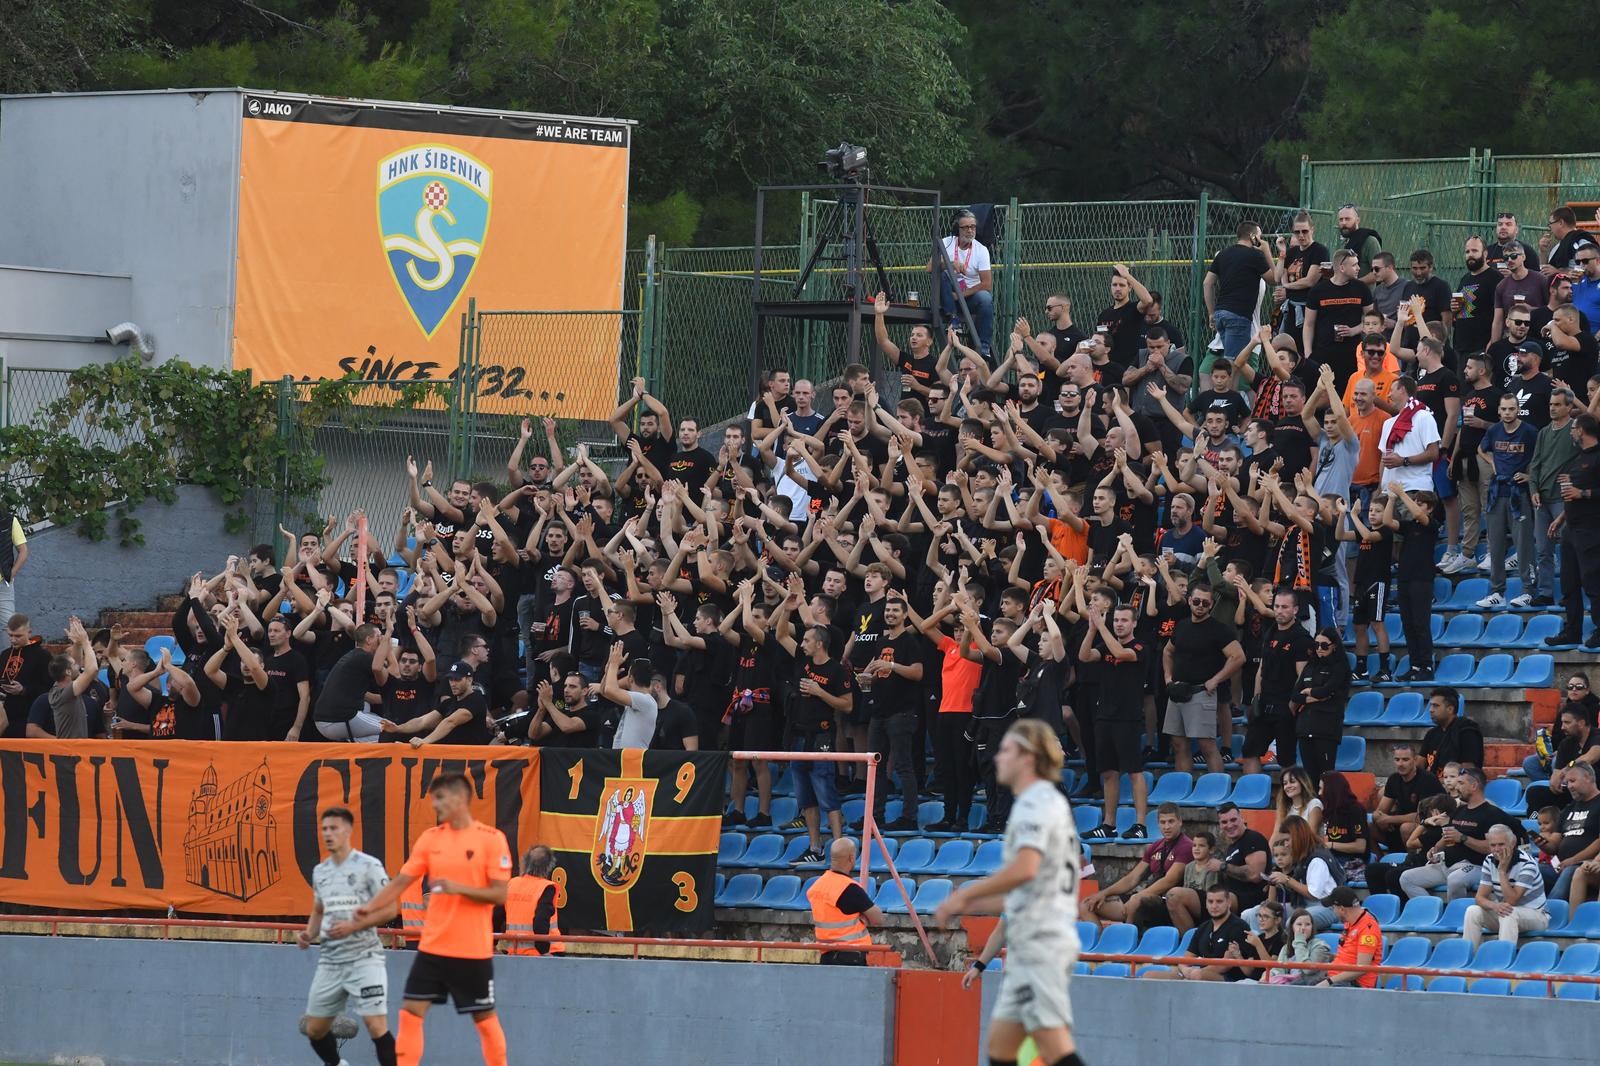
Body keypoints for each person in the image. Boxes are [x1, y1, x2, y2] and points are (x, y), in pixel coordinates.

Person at [934, 720, 1084, 1066]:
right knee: (1001, 1050)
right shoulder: (1047, 801)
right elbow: (1025, 892)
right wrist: (973, 920)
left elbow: (1025, 869)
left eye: (1006, 750)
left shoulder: (1036, 801)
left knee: (1055, 1046)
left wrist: (964, 897)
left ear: (1028, 759)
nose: (997, 757)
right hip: (1030, 941)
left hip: (1041, 943)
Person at [355, 772, 512, 1066]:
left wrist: (457, 889)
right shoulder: (430, 839)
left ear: (460, 798)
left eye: (440, 798)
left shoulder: (492, 840)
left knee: (484, 1018)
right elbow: (402, 880)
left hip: (471, 948)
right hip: (433, 947)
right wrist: (370, 907)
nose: (435, 805)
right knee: (410, 1012)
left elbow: (499, 894)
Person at [298, 806, 398, 1066]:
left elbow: (390, 908)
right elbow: (319, 910)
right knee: (315, 1029)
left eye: (334, 828)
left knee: (376, 1026)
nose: (328, 834)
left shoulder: (369, 866)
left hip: (365, 958)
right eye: (324, 829)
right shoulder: (321, 872)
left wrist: (353, 926)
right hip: (330, 962)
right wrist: (309, 934)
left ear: (349, 830)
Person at [1398, 766, 1523, 900]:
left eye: (1461, 783)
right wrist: (1435, 850)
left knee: (1455, 880)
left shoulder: (1491, 814)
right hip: (1447, 864)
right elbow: (1448, 836)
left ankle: (1455, 915)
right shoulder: (1459, 811)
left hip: (1475, 866)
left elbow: (1491, 848)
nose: (1457, 788)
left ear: (1474, 785)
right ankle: (1433, 911)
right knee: (1407, 878)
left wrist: (1463, 838)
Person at [1161, 583, 1245, 774]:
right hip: (1177, 691)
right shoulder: (1182, 625)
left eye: (1205, 603)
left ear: (1211, 605)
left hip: (1201, 692)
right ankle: (1183, 789)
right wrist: (1168, 678)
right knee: (1178, 744)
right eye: (1197, 601)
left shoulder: (1219, 629)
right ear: (1190, 600)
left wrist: (1216, 679)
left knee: (1207, 746)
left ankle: (1218, 791)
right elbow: (1167, 651)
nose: (1200, 605)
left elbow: (1239, 657)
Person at [1079, 803, 1192, 927]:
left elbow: (1170, 880)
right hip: (1144, 898)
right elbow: (1132, 878)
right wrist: (1103, 893)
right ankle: (1099, 944)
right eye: (1163, 822)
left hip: (1168, 903)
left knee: (1135, 901)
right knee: (1087, 904)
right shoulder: (1156, 846)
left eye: (1171, 822)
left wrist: (1138, 896)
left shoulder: (1186, 846)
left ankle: (1127, 943)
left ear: (1180, 822)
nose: (1167, 826)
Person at [1475, 392, 1539, 608]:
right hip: (1496, 493)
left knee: (1524, 544)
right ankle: (1496, 592)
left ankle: (1528, 590)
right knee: (1495, 544)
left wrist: (1531, 477)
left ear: (1518, 409)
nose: (1507, 413)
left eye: (1511, 409)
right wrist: (1492, 462)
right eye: (1503, 409)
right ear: (1499, 410)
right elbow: (1481, 449)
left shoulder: (1530, 432)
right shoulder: (1494, 430)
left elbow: (1542, 458)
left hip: (1519, 494)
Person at [1242, 588, 1311, 774]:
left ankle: (1288, 800)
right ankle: (1252, 796)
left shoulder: (1301, 637)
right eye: (1277, 606)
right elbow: (1261, 669)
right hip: (1264, 703)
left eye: (1285, 607)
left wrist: (1292, 706)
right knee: (1249, 751)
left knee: (1286, 758)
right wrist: (1255, 698)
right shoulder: (1270, 631)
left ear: (1295, 610)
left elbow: (1302, 676)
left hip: (1285, 704)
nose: (1279, 611)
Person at [1142, 885, 1255, 982]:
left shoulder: (1238, 926)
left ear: (1229, 903)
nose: (1214, 906)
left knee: (1198, 975)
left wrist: (1193, 974)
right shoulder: (1203, 927)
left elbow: (1226, 965)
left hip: (1229, 979)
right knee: (1149, 975)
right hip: (1197, 976)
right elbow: (1186, 959)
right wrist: (1186, 971)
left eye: (1219, 901)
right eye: (1210, 901)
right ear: (1205, 904)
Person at [1463, 824, 1549, 947]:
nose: (1497, 849)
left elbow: (1512, 900)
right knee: (1472, 911)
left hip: (1536, 914)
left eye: (1501, 844)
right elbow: (1479, 898)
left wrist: (1502, 871)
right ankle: (1469, 958)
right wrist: (1495, 906)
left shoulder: (1527, 863)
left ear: (1512, 843)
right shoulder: (1489, 860)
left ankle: (1502, 960)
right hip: (1509, 912)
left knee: (1508, 913)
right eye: (1493, 845)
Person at [806, 837, 883, 966]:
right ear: (851, 858)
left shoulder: (817, 886)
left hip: (826, 955)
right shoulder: (849, 888)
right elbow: (878, 919)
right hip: (851, 955)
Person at [312, 622, 392, 741]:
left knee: (370, 713)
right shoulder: (365, 657)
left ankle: (354, 746)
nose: (381, 639)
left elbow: (367, 696)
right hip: (339, 719)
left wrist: (393, 699)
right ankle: (355, 745)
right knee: (392, 730)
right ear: (369, 640)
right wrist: (387, 648)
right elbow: (393, 674)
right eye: (379, 636)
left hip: (324, 720)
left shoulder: (354, 656)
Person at [1206, 223, 1274, 360]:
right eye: (1259, 237)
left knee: (1230, 360)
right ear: (1253, 236)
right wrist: (1266, 251)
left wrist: (1211, 312)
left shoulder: (1223, 254)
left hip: (1220, 314)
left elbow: (1207, 283)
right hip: (1238, 315)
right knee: (1235, 364)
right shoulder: (1255, 255)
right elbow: (1274, 279)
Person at [1291, 626, 1350, 781]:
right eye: (1316, 645)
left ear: (1334, 646)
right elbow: (1295, 695)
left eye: (1324, 645)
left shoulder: (1340, 666)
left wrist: (1309, 691)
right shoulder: (1310, 666)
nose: (1319, 649)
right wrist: (1314, 695)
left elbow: (1327, 690)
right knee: (1309, 777)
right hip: (1305, 727)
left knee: (1326, 776)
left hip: (1326, 728)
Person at [936, 210, 995, 354]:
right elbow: (929, 268)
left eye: (973, 227)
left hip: (968, 298)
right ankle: (953, 319)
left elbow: (987, 285)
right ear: (957, 229)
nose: (970, 230)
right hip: (947, 294)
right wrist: (949, 264)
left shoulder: (981, 250)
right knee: (942, 274)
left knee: (986, 298)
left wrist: (961, 295)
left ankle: (984, 346)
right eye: (966, 227)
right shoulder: (946, 242)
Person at [1372, 742, 1445, 854]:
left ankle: (1411, 863)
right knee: (1368, 826)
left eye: (1405, 760)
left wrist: (1389, 819)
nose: (1400, 764)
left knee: (1406, 828)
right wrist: (1378, 817)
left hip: (1431, 826)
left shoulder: (1427, 779)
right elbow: (1381, 810)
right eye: (1397, 760)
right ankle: (1380, 859)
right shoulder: (1394, 779)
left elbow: (1421, 816)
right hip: (1400, 824)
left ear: (1415, 760)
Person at [502, 845, 563, 957]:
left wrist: (492, 944)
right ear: (548, 866)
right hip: (545, 953)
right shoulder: (546, 887)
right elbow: (541, 920)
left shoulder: (511, 884)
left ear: (525, 863)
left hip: (514, 952)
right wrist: (543, 950)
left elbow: (497, 916)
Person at [1316, 887, 1382, 988]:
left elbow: (1362, 968)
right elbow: (1349, 956)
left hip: (1355, 984)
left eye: (1333, 908)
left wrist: (1329, 981)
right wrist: (1328, 956)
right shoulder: (1350, 922)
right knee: (1297, 983)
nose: (1333, 911)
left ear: (1342, 909)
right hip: (1335, 977)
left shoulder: (1368, 929)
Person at [1419, 686, 1484, 773]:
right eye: (1431, 706)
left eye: (1436, 706)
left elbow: (1468, 771)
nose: (1431, 710)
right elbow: (1419, 765)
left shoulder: (1467, 732)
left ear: (1450, 709)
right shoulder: (1431, 734)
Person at [1271, 908, 1333, 985]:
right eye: (1299, 924)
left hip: (1310, 988)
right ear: (1292, 927)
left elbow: (1308, 970)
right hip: (1288, 988)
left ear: (1312, 927)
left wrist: (1300, 941)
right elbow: (1278, 970)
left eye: (1307, 924)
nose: (1303, 928)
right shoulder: (1286, 948)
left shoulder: (1320, 946)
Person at [0, 508, 25, 623]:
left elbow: (23, 551)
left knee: (8, 624)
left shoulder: (8, 520)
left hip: (3, 584)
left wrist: (11, 574)